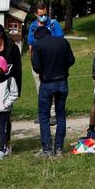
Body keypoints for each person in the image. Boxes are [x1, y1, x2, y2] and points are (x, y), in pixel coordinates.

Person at [30, 22, 75, 156]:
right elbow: (71, 60)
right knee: (61, 115)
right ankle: (59, 148)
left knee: (44, 117)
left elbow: (36, 67)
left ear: (37, 37)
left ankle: (47, 149)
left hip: (47, 83)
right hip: (62, 82)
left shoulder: (38, 45)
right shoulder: (63, 42)